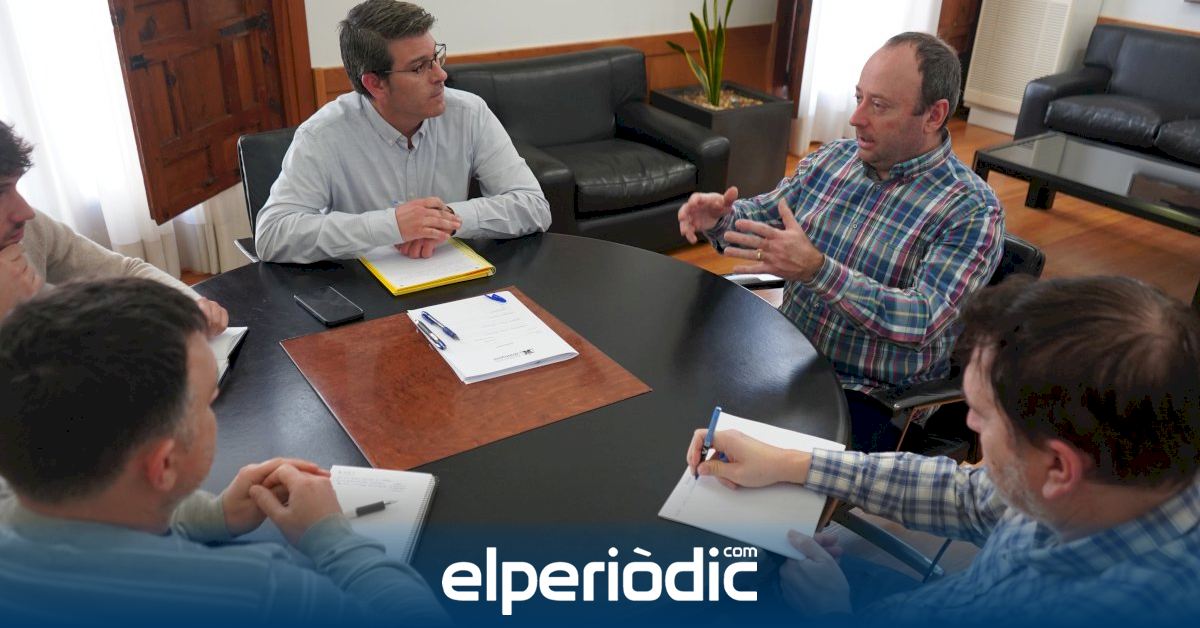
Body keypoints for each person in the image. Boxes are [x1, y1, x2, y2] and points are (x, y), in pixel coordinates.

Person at [685, 275, 1200, 622]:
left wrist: (832, 613)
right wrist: (792, 463)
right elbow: (967, 496)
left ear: (1059, 467)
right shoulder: (1114, 476)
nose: (968, 422)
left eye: (983, 414)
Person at [0, 278, 447, 625]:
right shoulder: (257, 591)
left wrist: (215, 515)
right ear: (164, 464)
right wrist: (331, 536)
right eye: (208, 402)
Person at [678, 32, 1004, 451]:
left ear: (934, 115)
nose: (856, 118)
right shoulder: (834, 159)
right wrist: (720, 219)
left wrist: (818, 271)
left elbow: (922, 320)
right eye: (858, 97)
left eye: (878, 105)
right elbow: (762, 220)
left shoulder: (972, 210)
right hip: (789, 358)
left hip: (870, 396)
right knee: (680, 406)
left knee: (730, 460)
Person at [255, 0, 550, 264]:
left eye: (436, 57)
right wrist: (391, 225)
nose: (441, 75)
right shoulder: (323, 135)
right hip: (360, 289)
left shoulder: (469, 113)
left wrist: (444, 219)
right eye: (419, 67)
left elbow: (534, 206)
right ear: (375, 84)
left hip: (452, 277)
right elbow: (272, 234)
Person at [0, 121, 227, 334]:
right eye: (1, 192)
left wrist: (190, 304)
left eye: (15, 187)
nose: (25, 212)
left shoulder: (33, 229)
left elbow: (125, 273)